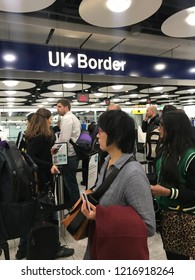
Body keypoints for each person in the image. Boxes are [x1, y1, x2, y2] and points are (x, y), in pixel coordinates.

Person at [81, 110, 156, 260]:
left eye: (101, 130)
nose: (97, 135)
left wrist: (102, 215)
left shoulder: (133, 174)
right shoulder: (108, 161)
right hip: (100, 243)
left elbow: (148, 226)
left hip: (117, 252)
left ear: (117, 135)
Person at [15, 108, 74, 260]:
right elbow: (30, 157)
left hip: (40, 180)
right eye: (50, 118)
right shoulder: (39, 137)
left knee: (35, 213)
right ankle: (53, 247)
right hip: (40, 181)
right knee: (47, 212)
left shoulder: (36, 135)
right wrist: (49, 166)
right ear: (45, 119)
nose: (52, 120)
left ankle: (23, 249)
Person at [151, 110, 195, 260]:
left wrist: (168, 192)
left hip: (183, 219)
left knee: (179, 259)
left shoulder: (190, 157)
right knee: (172, 257)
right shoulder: (165, 150)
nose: (158, 129)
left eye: (162, 125)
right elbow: (160, 176)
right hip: (166, 216)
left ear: (173, 129)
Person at [56, 99, 81, 207]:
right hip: (73, 153)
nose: (57, 109)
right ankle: (76, 206)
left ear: (66, 107)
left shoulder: (66, 118)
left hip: (69, 155)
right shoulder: (74, 117)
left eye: (59, 106)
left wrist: (55, 149)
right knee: (72, 182)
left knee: (70, 184)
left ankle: (75, 207)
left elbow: (64, 139)